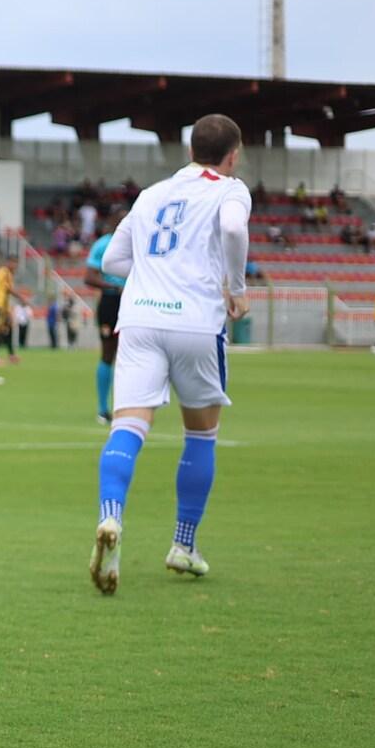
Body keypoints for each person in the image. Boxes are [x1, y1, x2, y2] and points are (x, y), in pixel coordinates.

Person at [89, 114, 252, 594]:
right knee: (201, 436)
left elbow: (113, 260)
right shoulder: (230, 189)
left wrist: (159, 271)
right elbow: (234, 230)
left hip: (139, 319)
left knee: (128, 426)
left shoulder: (152, 194)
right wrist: (236, 288)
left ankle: (110, 518)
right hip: (196, 322)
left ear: (189, 150)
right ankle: (183, 545)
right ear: (233, 154)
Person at [84, 215, 126, 422]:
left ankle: (127, 406)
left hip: (134, 302)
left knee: (133, 354)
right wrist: (114, 286)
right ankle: (103, 408)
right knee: (108, 353)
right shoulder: (103, 245)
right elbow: (89, 277)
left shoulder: (138, 241)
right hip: (111, 301)